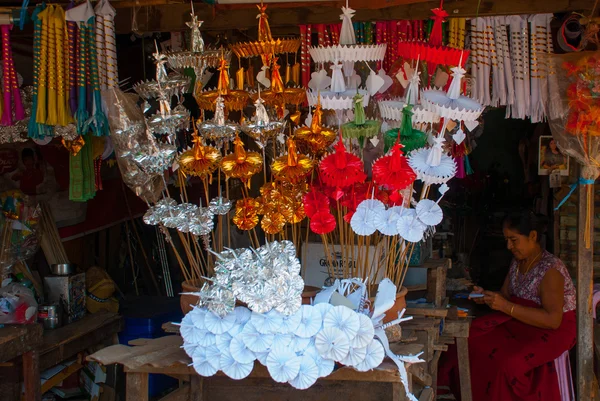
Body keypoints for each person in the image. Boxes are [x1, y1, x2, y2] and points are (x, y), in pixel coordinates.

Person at [438, 210, 576, 401]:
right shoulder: (518, 261)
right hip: (521, 321)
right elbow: (505, 295)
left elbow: (553, 320)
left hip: (551, 330)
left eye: (513, 240)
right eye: (506, 240)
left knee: (506, 365)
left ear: (533, 236)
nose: (508, 246)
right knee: (469, 340)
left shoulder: (551, 270)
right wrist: (487, 297)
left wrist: (505, 306)